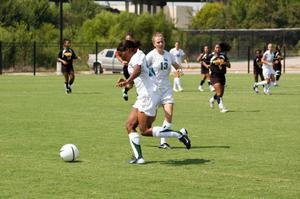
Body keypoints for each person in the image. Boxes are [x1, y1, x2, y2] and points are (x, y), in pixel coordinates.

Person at [116, 40, 191, 164]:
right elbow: (138, 77)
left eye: (122, 53)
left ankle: (178, 135)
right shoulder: (136, 56)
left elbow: (138, 70)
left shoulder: (137, 55)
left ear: (128, 50)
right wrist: (127, 82)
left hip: (148, 96)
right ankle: (138, 157)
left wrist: (127, 80)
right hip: (143, 96)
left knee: (144, 130)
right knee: (129, 125)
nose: (121, 55)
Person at [146, 33, 183, 149]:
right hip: (154, 90)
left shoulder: (169, 55)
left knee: (169, 114)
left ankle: (163, 142)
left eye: (162, 41)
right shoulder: (150, 56)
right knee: (148, 121)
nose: (161, 44)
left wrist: (179, 71)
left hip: (166, 89)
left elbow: (177, 66)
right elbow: (142, 69)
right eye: (158, 42)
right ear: (154, 44)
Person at [208, 43, 231, 113]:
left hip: (222, 76)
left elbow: (229, 65)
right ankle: (222, 108)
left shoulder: (223, 56)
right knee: (219, 93)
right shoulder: (210, 56)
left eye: (219, 48)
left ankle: (212, 99)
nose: (217, 49)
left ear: (220, 49)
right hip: (214, 76)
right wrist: (207, 65)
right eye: (216, 47)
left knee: (220, 94)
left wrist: (224, 63)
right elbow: (202, 61)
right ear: (214, 49)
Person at [115, 32, 135, 101]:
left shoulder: (135, 47)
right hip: (127, 68)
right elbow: (117, 54)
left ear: (133, 39)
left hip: (135, 68)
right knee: (134, 83)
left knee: (131, 84)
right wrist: (122, 61)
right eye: (127, 39)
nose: (128, 40)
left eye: (129, 39)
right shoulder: (123, 46)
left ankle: (125, 90)